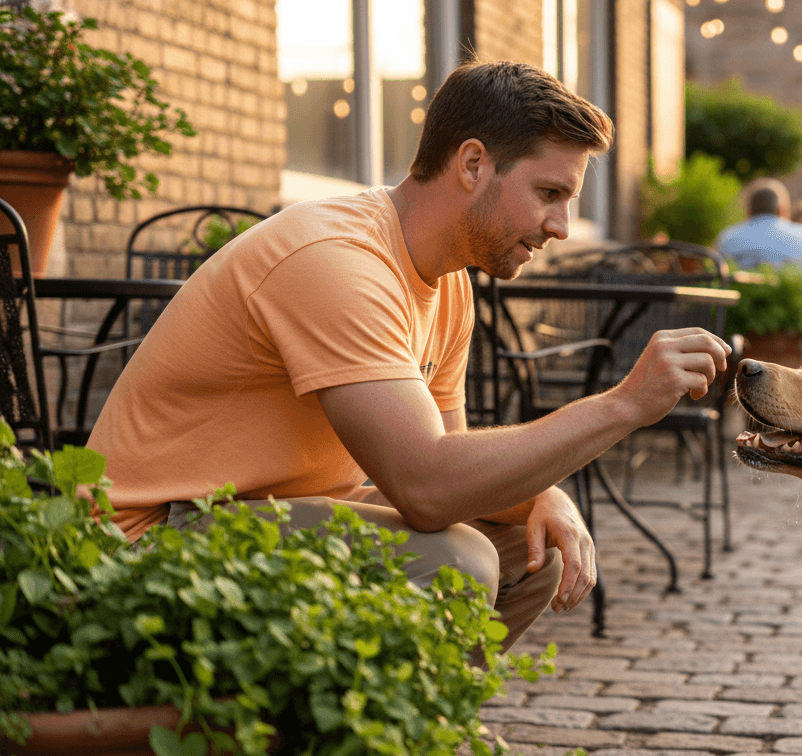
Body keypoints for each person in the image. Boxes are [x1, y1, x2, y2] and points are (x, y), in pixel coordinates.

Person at [86, 61, 731, 651]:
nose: (561, 226)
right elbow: (428, 488)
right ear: (474, 164)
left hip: (258, 515)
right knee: (458, 564)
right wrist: (622, 406)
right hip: (150, 537)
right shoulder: (338, 260)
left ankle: (405, 728)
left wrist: (543, 498)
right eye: (549, 194)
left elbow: (455, 473)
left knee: (533, 553)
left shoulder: (447, 283)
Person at [716, 180, 802, 353]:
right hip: (801, 337)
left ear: (749, 211)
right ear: (783, 210)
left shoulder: (728, 239)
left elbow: (717, 284)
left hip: (743, 337)